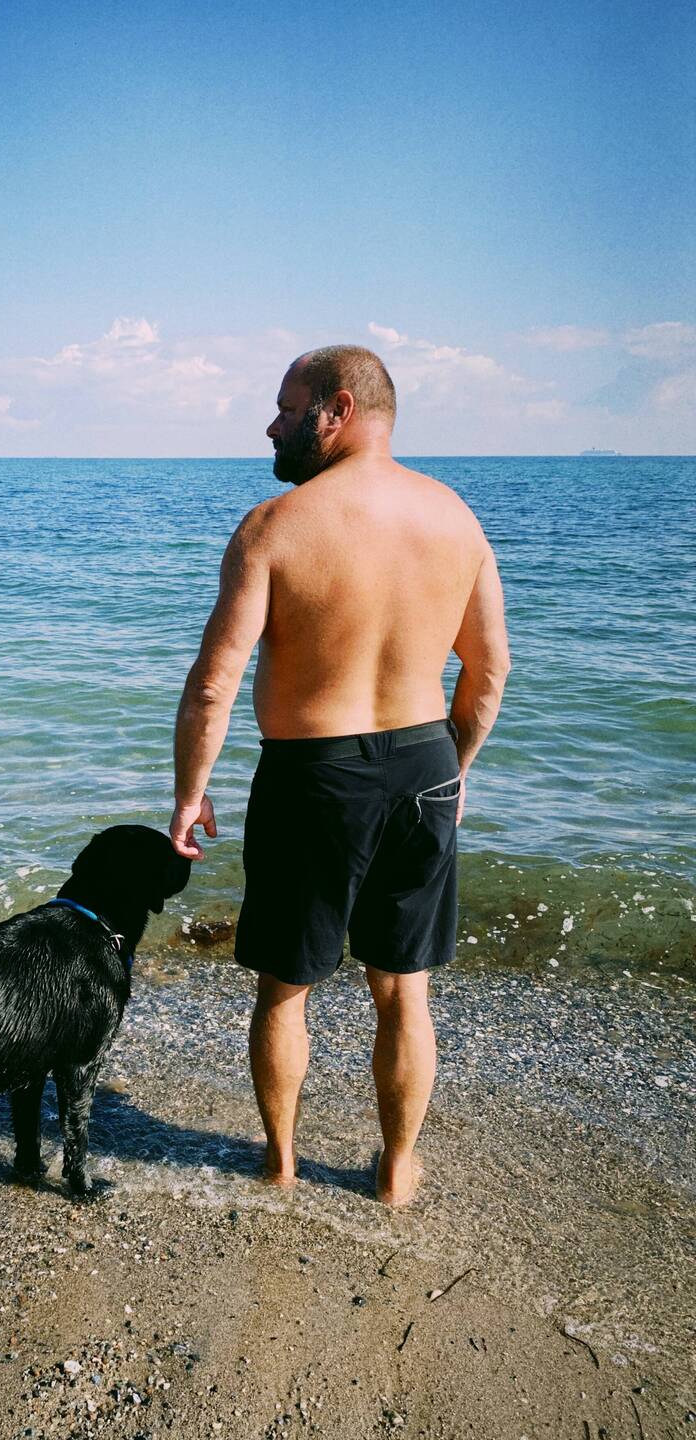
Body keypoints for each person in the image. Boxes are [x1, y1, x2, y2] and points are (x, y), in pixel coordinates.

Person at [168, 344, 510, 1206]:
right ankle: (396, 1171)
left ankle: (281, 1165)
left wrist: (189, 794)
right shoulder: (456, 518)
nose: (272, 425)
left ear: (338, 410)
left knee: (286, 989)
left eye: (288, 409)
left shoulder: (275, 527)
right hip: (425, 763)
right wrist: (455, 771)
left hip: (313, 776)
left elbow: (213, 684)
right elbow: (489, 672)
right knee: (403, 991)